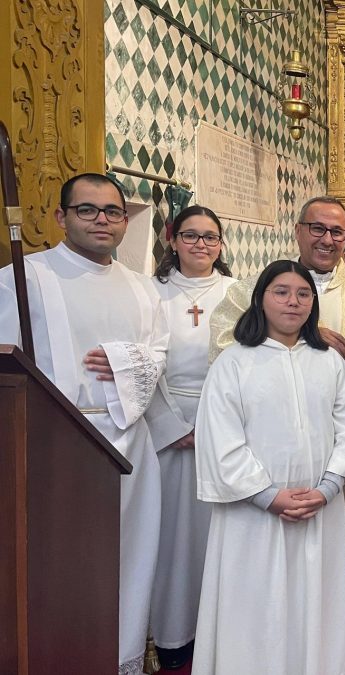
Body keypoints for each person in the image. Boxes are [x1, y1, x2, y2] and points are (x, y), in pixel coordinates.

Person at [0, 172, 181, 675]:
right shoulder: (23, 278)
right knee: (60, 562)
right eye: (87, 210)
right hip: (54, 441)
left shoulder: (145, 289)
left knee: (129, 556)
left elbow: (158, 356)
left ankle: (120, 659)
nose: (102, 220)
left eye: (112, 212)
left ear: (126, 222)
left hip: (130, 445)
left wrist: (128, 361)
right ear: (61, 217)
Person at [208, 195, 345, 655]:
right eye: (317, 228)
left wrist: (327, 486)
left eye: (337, 231)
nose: (327, 238)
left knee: (318, 594)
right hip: (256, 504)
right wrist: (266, 495)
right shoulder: (238, 345)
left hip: (326, 496)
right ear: (299, 230)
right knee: (257, 601)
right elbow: (223, 432)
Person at [146, 205, 236, 670]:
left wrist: (219, 426)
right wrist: (171, 425)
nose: (201, 245)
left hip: (225, 427)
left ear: (221, 244)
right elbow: (141, 363)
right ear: (172, 239)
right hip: (168, 428)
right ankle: (172, 636)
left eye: (210, 237)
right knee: (170, 537)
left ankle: (217, 632)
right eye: (191, 236)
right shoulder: (150, 292)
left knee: (217, 535)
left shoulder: (238, 293)